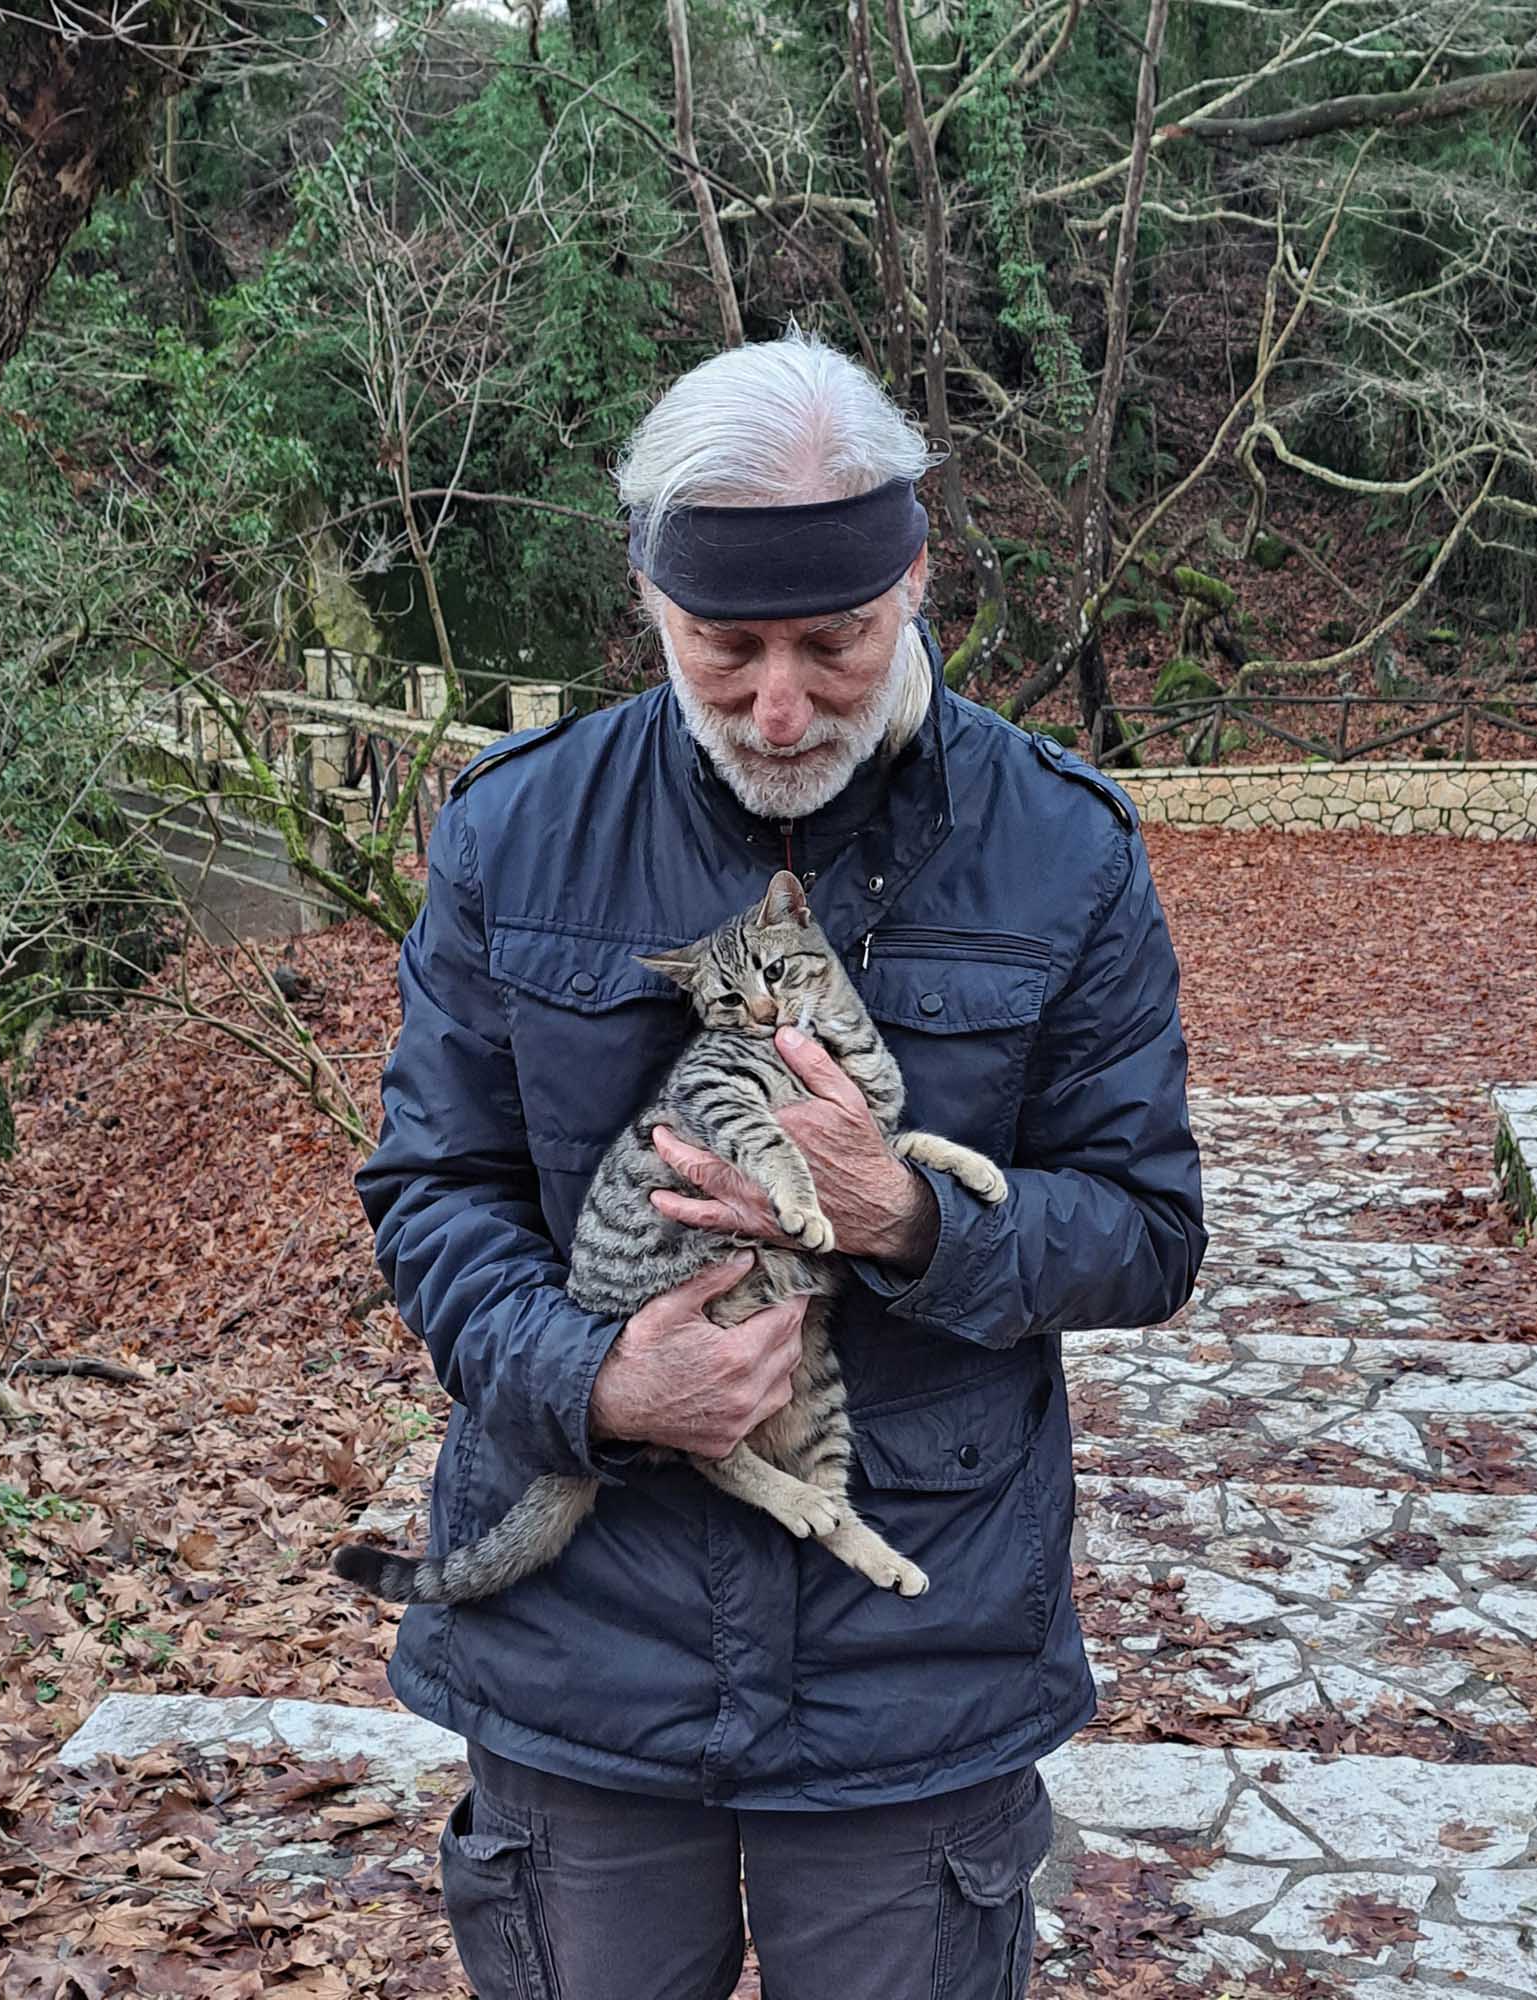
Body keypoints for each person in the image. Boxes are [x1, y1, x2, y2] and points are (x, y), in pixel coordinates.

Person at [354, 328, 1206, 2000]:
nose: (780, 702)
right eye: (723, 647)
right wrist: (593, 1380)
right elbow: (432, 1188)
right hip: (581, 1640)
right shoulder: (515, 829)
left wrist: (913, 1222)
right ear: (650, 603)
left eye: (836, 642)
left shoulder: (1062, 849)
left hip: (919, 1649)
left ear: (916, 578)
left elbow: (1147, 1227)